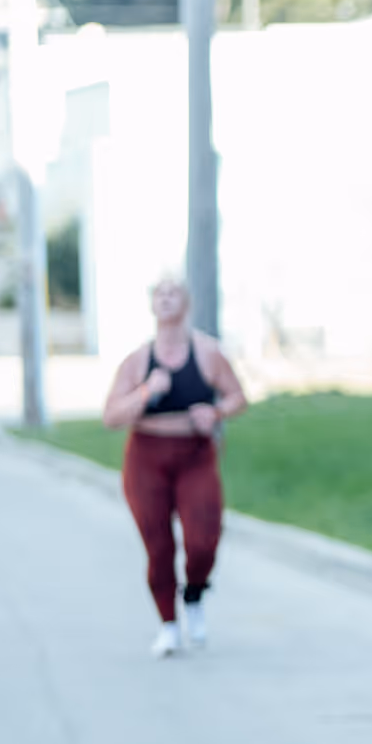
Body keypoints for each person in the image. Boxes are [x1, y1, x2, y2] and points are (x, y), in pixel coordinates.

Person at [101, 273, 250, 658]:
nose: (166, 299)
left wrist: (215, 412)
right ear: (152, 304)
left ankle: (195, 593)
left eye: (174, 293)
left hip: (194, 455)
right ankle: (168, 624)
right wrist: (148, 391)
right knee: (159, 546)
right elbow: (111, 416)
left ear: (187, 302)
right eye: (160, 293)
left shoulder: (208, 353)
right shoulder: (137, 361)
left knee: (203, 540)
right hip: (146, 457)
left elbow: (238, 397)